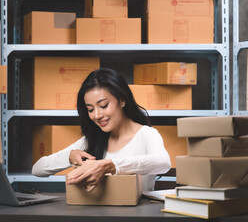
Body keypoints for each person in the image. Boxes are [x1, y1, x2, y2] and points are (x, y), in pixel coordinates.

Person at [32, 68, 171, 192]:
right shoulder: (93, 140)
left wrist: (109, 166)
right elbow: (37, 169)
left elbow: (163, 163)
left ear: (122, 100)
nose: (97, 115)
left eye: (104, 106)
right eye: (90, 109)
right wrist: (69, 156)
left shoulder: (146, 134)